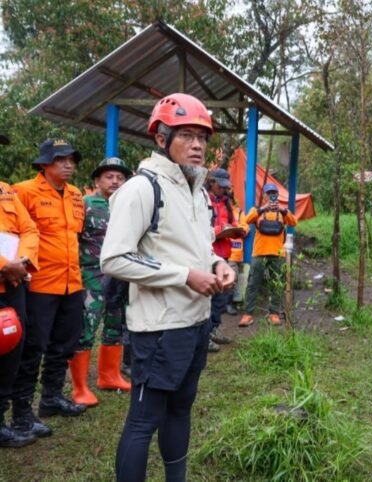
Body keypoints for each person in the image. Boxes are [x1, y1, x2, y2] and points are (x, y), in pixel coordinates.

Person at [101, 93, 235, 481]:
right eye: (187, 136)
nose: (197, 146)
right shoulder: (142, 189)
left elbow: (199, 247)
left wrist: (217, 263)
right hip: (158, 327)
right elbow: (114, 258)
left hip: (194, 322)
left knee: (181, 407)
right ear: (162, 139)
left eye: (203, 138)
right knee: (144, 420)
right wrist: (184, 276)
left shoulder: (198, 190)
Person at [11, 138, 88, 439]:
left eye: (72, 160)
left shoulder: (76, 194)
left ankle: (51, 398)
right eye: (60, 160)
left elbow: (75, 237)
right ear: (44, 164)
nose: (69, 165)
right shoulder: (23, 191)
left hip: (72, 283)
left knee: (64, 345)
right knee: (32, 348)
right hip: (40, 284)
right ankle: (21, 413)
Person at [69, 157, 133, 407]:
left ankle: (109, 376)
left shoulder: (128, 206)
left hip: (121, 274)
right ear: (97, 180)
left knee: (115, 324)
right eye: (109, 176)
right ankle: (80, 387)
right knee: (87, 326)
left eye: (120, 177)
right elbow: (71, 238)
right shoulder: (86, 205)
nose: (115, 181)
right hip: (92, 275)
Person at [0, 133, 40, 448]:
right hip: (5, 273)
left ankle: (1, 419)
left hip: (12, 284)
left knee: (12, 345)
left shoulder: (6, 191)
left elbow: (28, 229)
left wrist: (21, 263)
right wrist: (3, 264)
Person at [239, 182, 297, 327]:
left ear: (277, 195)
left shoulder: (283, 212)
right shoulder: (257, 210)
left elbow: (294, 222)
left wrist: (283, 211)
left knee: (276, 285)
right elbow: (247, 219)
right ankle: (248, 314)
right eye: (268, 193)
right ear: (264, 195)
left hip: (278, 254)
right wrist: (262, 209)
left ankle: (274, 314)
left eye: (274, 193)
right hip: (259, 253)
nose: (271, 196)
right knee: (253, 283)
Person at [206, 168, 245, 351]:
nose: (223, 189)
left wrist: (236, 230)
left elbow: (233, 223)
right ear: (211, 182)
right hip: (208, 254)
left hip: (225, 253)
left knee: (222, 295)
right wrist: (218, 230)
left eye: (225, 187)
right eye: (220, 186)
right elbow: (199, 229)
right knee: (208, 296)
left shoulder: (226, 203)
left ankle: (213, 328)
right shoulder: (203, 201)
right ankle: (204, 336)